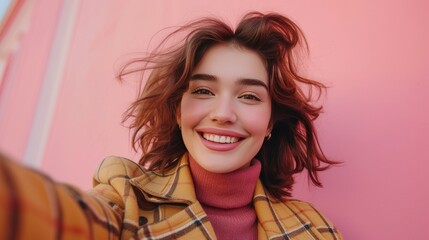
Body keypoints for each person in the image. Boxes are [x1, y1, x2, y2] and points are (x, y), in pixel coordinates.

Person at [0, 12, 342, 239]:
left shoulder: (315, 228)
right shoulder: (125, 200)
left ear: (270, 123)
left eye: (250, 97)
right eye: (204, 91)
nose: (223, 113)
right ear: (178, 111)